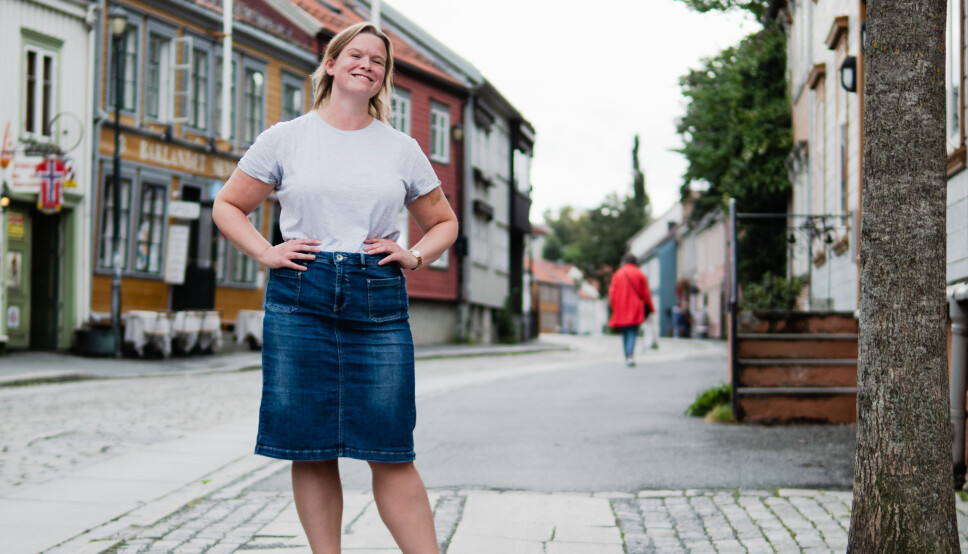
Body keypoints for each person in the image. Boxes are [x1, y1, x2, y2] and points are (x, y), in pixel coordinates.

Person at [213, 22, 457, 554]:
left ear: (383, 78)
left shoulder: (401, 148)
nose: (367, 64)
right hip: (301, 296)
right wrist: (266, 251)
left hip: (378, 298)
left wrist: (415, 255)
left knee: (391, 449)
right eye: (356, 55)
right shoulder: (285, 138)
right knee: (311, 448)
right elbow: (227, 205)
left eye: (378, 61)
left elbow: (444, 222)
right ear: (331, 64)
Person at [608, 253, 655, 366]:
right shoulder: (639, 274)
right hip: (635, 307)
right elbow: (646, 293)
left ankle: (626, 355)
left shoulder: (618, 274)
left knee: (624, 332)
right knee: (632, 331)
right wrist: (650, 308)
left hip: (621, 307)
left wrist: (613, 307)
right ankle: (630, 355)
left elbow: (612, 293)